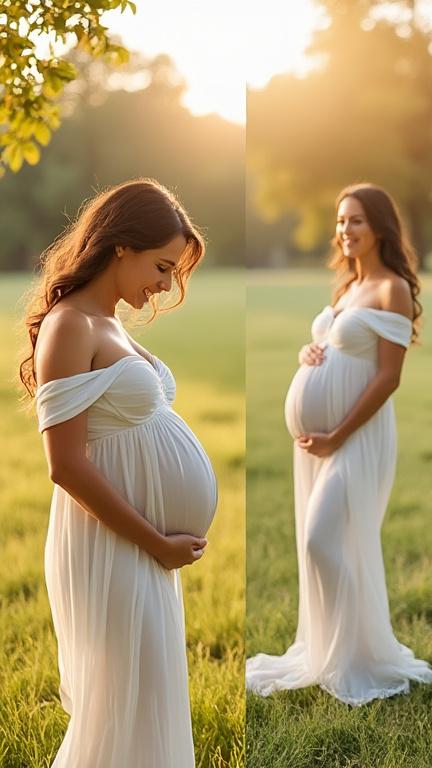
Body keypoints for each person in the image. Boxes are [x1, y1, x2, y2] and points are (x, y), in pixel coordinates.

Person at [23, 178, 214, 766]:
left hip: (140, 544)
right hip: (109, 542)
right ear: (120, 246)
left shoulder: (109, 322)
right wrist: (157, 541)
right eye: (161, 267)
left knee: (145, 693)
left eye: (173, 273)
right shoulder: (70, 326)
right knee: (116, 706)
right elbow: (66, 466)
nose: (164, 286)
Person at [245, 183, 432, 705]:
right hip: (319, 441)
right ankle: (325, 649)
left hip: (356, 436)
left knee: (322, 541)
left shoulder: (391, 289)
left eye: (355, 221)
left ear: (380, 228)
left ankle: (355, 657)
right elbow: (341, 347)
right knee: (323, 542)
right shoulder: (348, 287)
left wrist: (338, 434)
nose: (344, 230)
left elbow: (388, 377)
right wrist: (313, 351)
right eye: (340, 220)